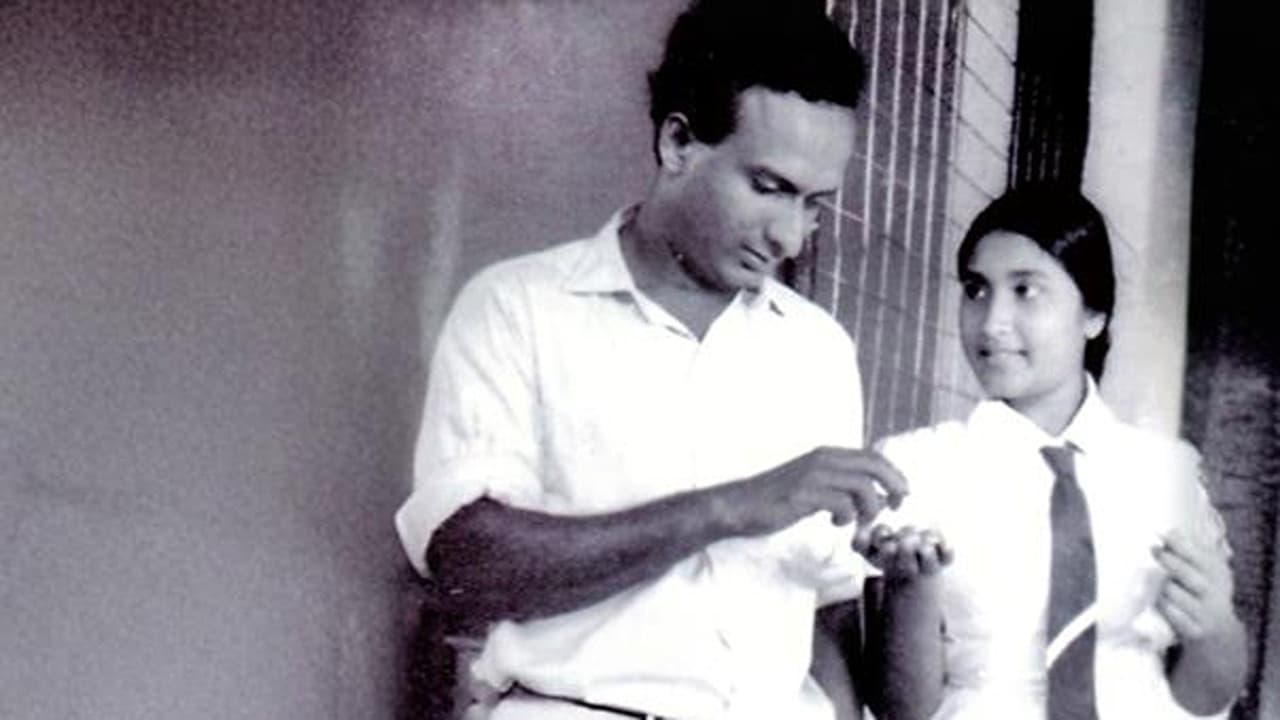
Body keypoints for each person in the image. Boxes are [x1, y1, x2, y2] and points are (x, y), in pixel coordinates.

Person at [394, 1, 932, 718]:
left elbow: (821, 611)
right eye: (769, 188)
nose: (790, 237)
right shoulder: (518, 307)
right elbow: (467, 563)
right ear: (678, 142)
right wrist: (731, 507)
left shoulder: (819, 350)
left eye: (814, 204)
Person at [865, 183, 1248, 719]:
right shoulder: (917, 468)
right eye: (976, 290)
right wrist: (911, 585)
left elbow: (1205, 698)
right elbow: (901, 709)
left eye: (1025, 290)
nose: (992, 321)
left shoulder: (1167, 474)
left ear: (1094, 315)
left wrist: (1214, 628)